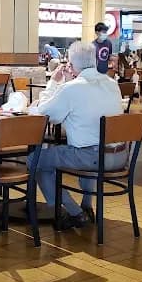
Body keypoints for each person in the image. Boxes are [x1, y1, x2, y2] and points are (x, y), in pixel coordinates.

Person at [29, 42, 126, 229]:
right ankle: (87, 204)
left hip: (92, 157)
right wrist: (66, 84)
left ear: (71, 66)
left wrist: (55, 83)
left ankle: (76, 212)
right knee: (88, 144)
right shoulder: (112, 84)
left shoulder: (71, 88)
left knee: (35, 160)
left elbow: (46, 113)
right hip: (119, 156)